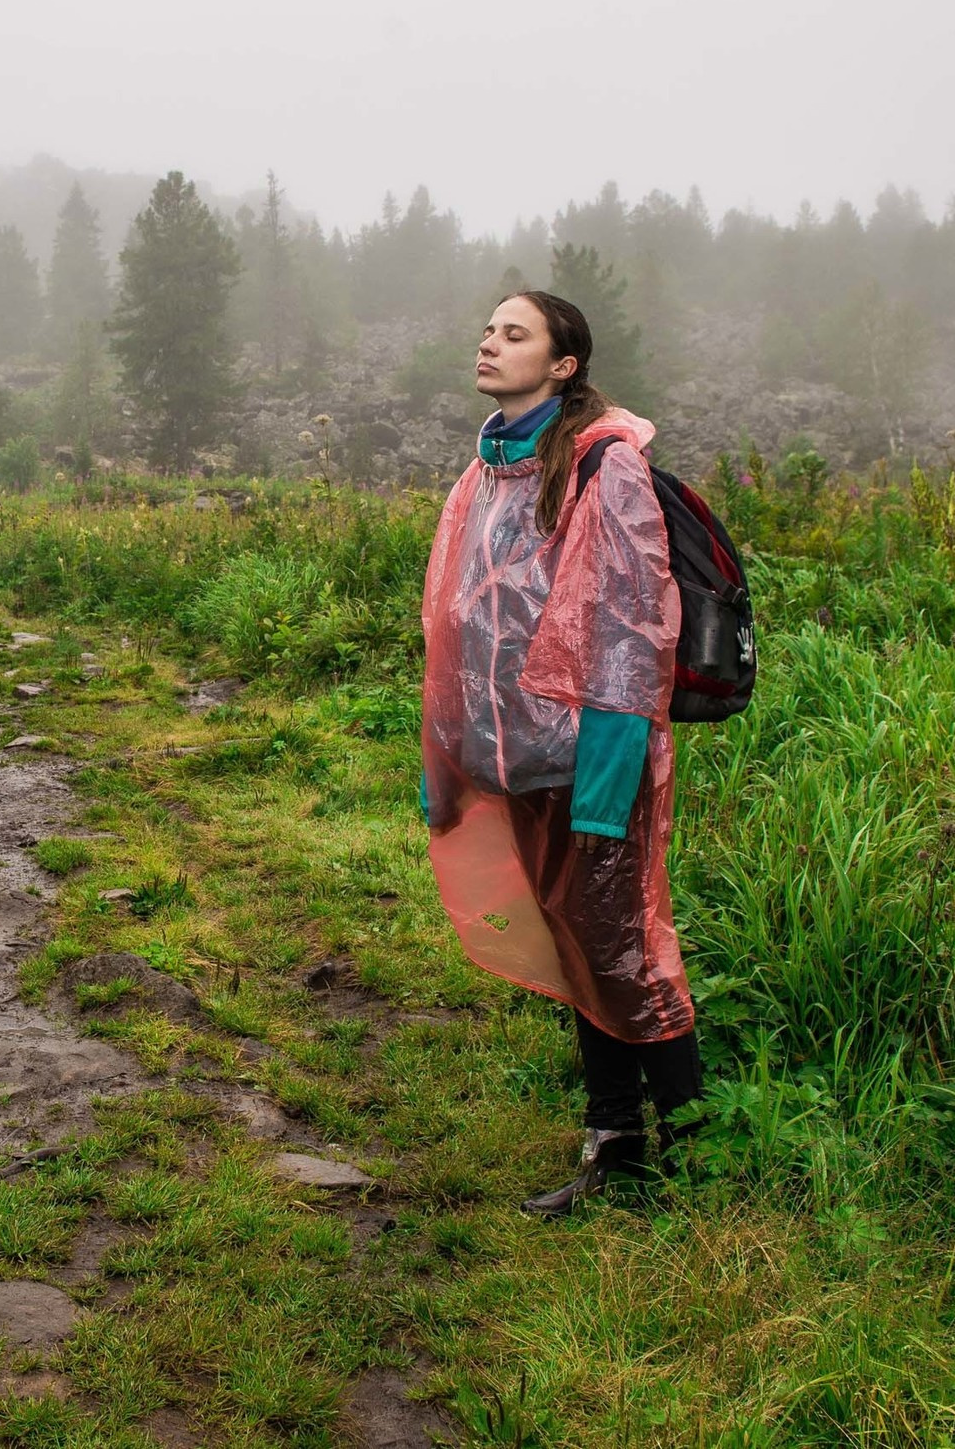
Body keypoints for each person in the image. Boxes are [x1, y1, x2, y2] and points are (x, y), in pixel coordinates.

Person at [419, 289, 700, 1217]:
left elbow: (626, 631)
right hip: (522, 758)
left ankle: (700, 1157)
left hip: (592, 765)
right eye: (487, 328)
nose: (488, 342)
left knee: (626, 952)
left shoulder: (603, 468)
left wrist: (606, 791)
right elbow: (453, 627)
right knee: (581, 948)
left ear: (563, 363)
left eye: (515, 333)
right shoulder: (486, 473)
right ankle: (616, 1147)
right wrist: (447, 761)